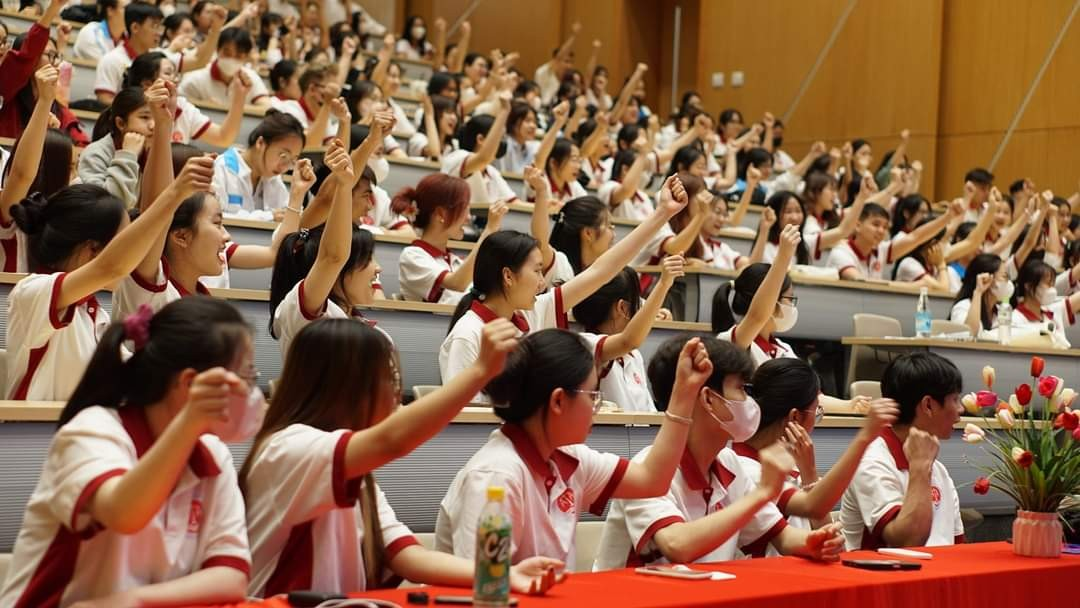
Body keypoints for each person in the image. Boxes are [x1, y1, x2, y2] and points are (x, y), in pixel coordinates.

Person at [243, 314, 563, 596]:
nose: (398, 393)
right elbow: (392, 441)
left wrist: (502, 574)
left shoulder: (354, 470)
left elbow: (406, 556)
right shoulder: (287, 448)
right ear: (348, 386)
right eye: (391, 378)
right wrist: (480, 371)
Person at [0, 298, 255, 607]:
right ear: (190, 384)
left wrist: (134, 600)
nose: (252, 393)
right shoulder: (92, 431)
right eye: (245, 377)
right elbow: (123, 513)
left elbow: (231, 576)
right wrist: (190, 421)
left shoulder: (214, 454)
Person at [437, 330, 711, 568]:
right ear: (558, 401)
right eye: (592, 395)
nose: (596, 408)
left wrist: (684, 394)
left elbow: (652, 480)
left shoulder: (567, 457)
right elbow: (484, 589)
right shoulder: (496, 476)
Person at [592, 335, 844, 569]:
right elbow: (677, 545)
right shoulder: (648, 467)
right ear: (709, 399)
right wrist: (760, 495)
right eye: (741, 389)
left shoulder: (729, 464)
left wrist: (815, 542)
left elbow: (785, 537)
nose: (750, 402)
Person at [439, 176, 689, 397]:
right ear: (508, 276)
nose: (542, 282)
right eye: (536, 271)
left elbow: (602, 271)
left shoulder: (531, 313)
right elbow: (462, 418)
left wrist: (662, 213)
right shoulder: (467, 335)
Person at [6, 146, 215, 399]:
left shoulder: (95, 315)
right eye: (123, 243)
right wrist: (176, 193)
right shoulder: (32, 291)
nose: (133, 256)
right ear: (93, 249)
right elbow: (111, 266)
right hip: (31, 426)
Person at [734, 359, 898, 554]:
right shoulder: (747, 469)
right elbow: (813, 508)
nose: (817, 418)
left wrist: (808, 474)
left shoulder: (792, 461)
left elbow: (829, 539)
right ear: (795, 417)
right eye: (817, 411)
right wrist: (865, 436)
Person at [269, 130, 386, 356]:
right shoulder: (302, 311)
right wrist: (344, 186)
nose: (378, 268)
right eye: (367, 259)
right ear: (339, 270)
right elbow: (332, 256)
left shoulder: (371, 329)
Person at [839, 352, 965, 549]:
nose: (961, 409)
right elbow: (908, 541)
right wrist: (920, 467)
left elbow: (958, 547)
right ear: (928, 405)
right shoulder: (872, 462)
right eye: (955, 399)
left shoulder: (939, 469)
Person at [574, 257, 684, 412]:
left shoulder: (634, 356)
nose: (640, 307)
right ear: (623, 308)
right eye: (637, 302)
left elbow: (648, 413)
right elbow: (629, 341)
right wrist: (663, 284)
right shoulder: (585, 345)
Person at [396, 173, 507, 304]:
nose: (468, 218)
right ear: (440, 214)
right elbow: (457, 283)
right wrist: (489, 230)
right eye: (464, 209)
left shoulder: (456, 261)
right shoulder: (412, 256)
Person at [0, 64, 64, 273]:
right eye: (70, 167)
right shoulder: (11, 210)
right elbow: (21, 175)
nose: (75, 176)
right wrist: (44, 102)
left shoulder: (69, 216)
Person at [95, 1, 221, 104]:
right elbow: (105, 100)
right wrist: (142, 106)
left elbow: (199, 61)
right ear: (135, 28)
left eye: (160, 26)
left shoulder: (161, 57)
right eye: (154, 26)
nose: (159, 33)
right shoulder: (111, 60)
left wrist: (216, 28)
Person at [125, 51, 248, 147]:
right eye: (168, 73)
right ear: (147, 84)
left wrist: (240, 97)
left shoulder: (183, 108)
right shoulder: (132, 111)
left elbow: (223, 138)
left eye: (176, 74)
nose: (176, 79)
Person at [827, 201, 963, 280]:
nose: (881, 231)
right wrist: (913, 286)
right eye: (876, 224)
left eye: (885, 227)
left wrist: (947, 217)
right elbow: (860, 282)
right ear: (857, 225)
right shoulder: (841, 253)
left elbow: (916, 237)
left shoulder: (881, 250)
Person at [78, 87, 160, 209]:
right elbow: (108, 208)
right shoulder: (95, 154)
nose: (153, 125)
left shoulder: (153, 150)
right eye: (144, 117)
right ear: (121, 123)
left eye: (156, 117)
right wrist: (128, 155)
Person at [212, 112, 305, 215]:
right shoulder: (222, 168)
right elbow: (215, 218)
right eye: (283, 156)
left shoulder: (274, 179)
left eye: (293, 161)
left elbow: (289, 216)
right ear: (260, 143)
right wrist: (269, 217)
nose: (285, 167)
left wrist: (298, 193)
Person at [441, 92, 518, 205]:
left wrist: (542, 196)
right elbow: (484, 158)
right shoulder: (458, 157)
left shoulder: (491, 172)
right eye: (498, 138)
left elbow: (515, 203)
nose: (501, 143)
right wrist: (504, 111)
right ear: (480, 139)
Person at [176, 27, 271, 108]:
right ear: (217, 50)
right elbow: (178, 105)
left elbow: (266, 107)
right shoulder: (195, 79)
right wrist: (205, 106)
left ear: (246, 56)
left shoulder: (251, 78)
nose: (232, 58)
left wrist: (232, 107)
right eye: (227, 53)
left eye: (238, 55)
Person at [270, 62, 347, 147]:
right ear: (312, 89)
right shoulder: (289, 110)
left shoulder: (325, 117)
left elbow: (338, 150)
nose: (334, 96)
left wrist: (345, 120)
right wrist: (327, 104)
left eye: (336, 91)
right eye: (330, 89)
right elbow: (308, 146)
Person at [1010, 259, 1080, 343]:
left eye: (1052, 284)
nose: (1052, 289)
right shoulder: (1015, 319)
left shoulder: (1053, 311)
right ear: (1028, 286)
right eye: (1048, 284)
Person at [950, 253, 1011, 336]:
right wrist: (978, 292)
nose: (1008, 282)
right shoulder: (963, 307)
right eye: (1004, 276)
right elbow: (969, 335)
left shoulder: (1002, 311)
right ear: (987, 279)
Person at [534, 22, 579, 104]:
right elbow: (560, 56)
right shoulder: (544, 71)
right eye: (566, 61)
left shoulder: (565, 77)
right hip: (542, 107)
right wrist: (573, 36)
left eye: (571, 62)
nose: (569, 66)